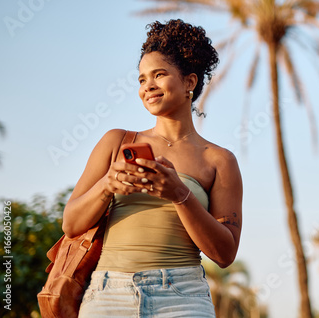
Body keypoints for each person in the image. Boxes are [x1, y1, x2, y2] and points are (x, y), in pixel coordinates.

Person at [62, 19, 243, 317]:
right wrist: (108, 184)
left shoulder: (219, 160)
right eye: (142, 79)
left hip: (183, 298)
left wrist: (179, 194)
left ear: (189, 82)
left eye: (159, 75)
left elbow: (224, 254)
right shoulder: (116, 141)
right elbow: (70, 224)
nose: (148, 86)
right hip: (109, 295)